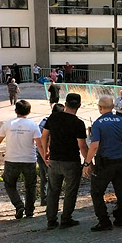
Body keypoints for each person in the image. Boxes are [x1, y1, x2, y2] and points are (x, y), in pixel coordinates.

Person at [0, 100, 47, 219]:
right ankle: (30, 210)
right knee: (31, 185)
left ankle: (19, 205)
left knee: (9, 183)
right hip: (29, 159)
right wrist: (45, 157)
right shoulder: (33, 125)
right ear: (29, 111)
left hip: (11, 160)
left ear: (15, 111)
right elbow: (39, 144)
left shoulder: (8, 124)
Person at [83, 96, 122, 231]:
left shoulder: (98, 124)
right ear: (113, 107)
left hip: (105, 164)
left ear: (100, 108)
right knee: (121, 191)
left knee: (97, 192)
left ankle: (104, 221)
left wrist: (87, 163)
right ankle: (120, 218)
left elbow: (94, 146)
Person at [42, 93, 88, 230]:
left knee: (53, 191)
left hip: (54, 161)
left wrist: (45, 151)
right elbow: (82, 146)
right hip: (71, 162)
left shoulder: (53, 117)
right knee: (70, 191)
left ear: (65, 103)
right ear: (79, 106)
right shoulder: (78, 123)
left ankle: (51, 220)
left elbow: (44, 135)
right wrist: (88, 162)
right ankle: (66, 218)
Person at [38, 104, 65, 206]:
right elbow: (42, 139)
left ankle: (45, 200)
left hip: (45, 153)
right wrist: (45, 154)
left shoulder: (45, 121)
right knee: (50, 179)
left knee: (45, 177)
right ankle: (48, 201)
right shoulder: (49, 122)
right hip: (47, 154)